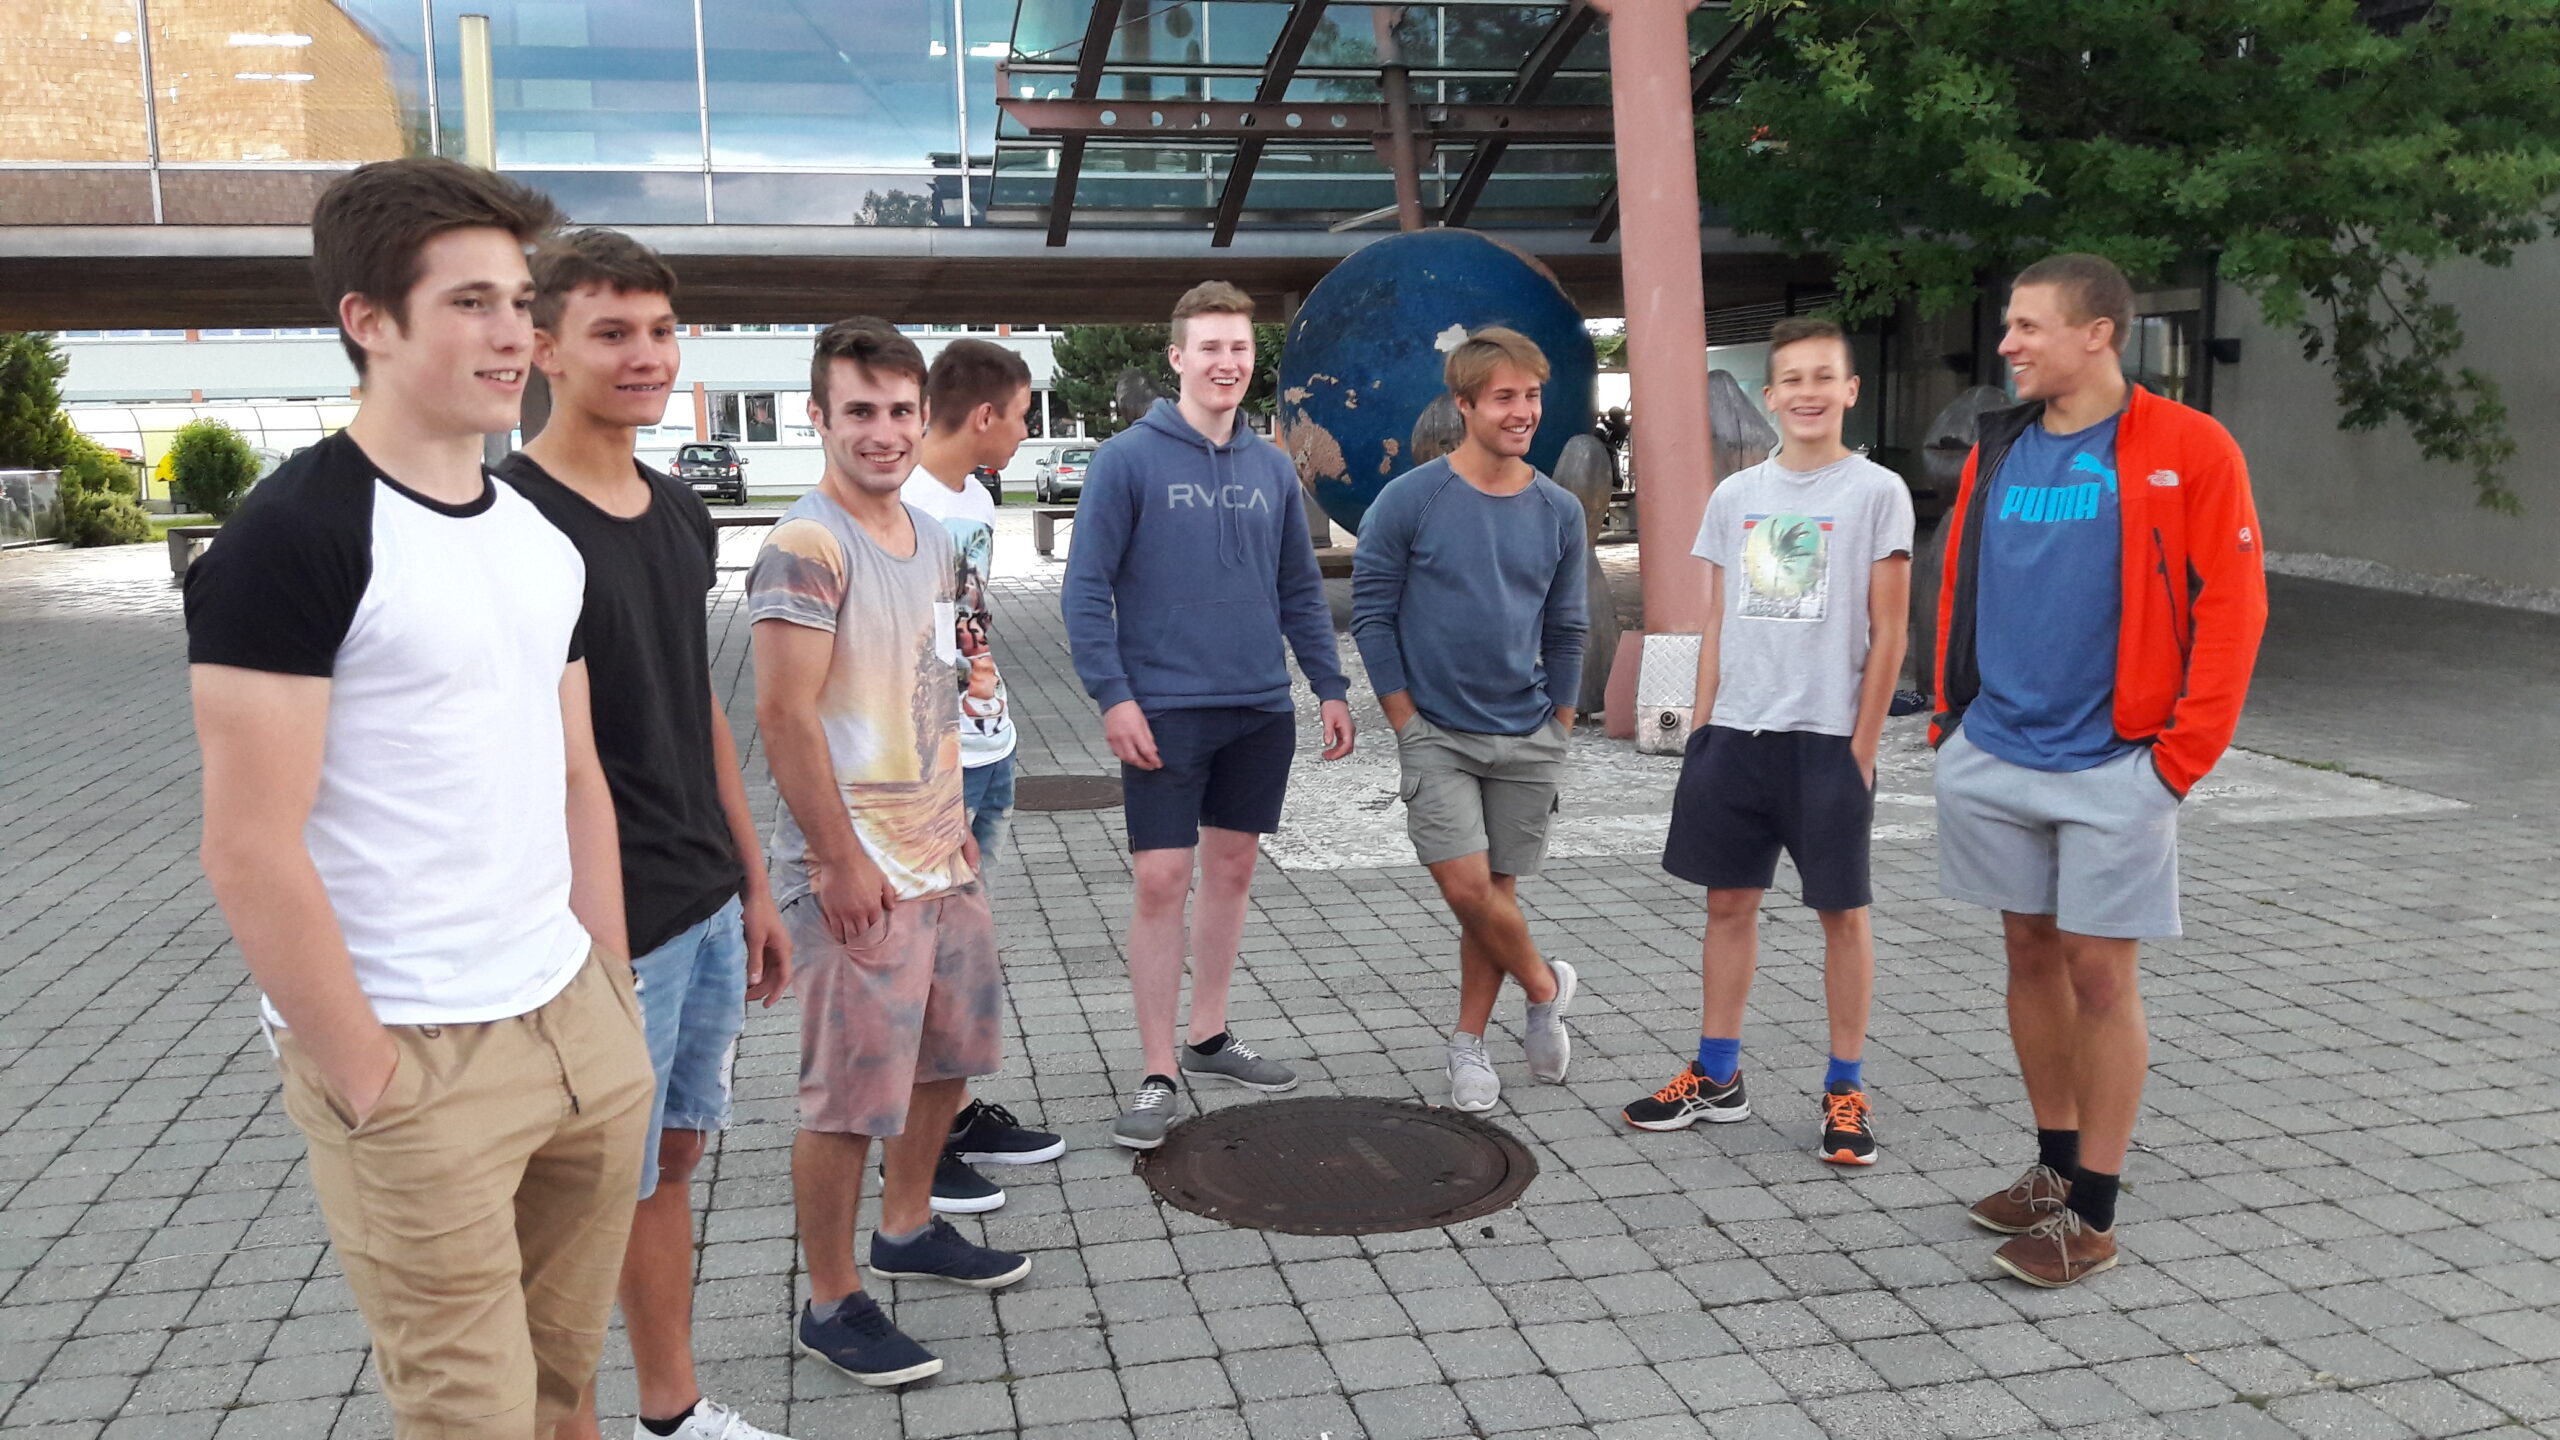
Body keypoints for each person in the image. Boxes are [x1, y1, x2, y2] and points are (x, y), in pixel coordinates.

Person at [185, 157, 654, 1437]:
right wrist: (369, 1077)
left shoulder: (536, 536)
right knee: (471, 1417)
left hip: (573, 1022)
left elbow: (574, 771)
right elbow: (246, 847)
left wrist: (609, 992)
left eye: (519, 302)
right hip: (412, 1053)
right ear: (369, 321)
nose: (513, 335)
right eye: (469, 303)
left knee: (564, 1390)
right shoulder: (293, 537)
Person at [497, 229, 793, 1440]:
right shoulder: (509, 522)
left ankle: (671, 1412)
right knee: (576, 1204)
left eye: (661, 331)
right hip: (598, 932)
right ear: (545, 348)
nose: (644, 356)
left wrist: (754, 882)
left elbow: (694, 702)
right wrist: (589, 947)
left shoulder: (676, 510)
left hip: (703, 903)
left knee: (668, 1166)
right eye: (611, 332)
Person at [1932, 254, 2266, 1286]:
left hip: (2118, 763)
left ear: (2097, 335)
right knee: (2028, 953)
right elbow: (1962, 582)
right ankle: (2053, 1164)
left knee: (2099, 974)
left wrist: (2177, 762)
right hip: (1995, 750)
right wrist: (1951, 720)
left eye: (2028, 327)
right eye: (2009, 325)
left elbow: (2234, 605)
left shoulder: (2189, 447)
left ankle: (2095, 1214)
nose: (2007, 345)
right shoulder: (2002, 444)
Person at [751, 318, 1030, 1388]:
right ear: (818, 418)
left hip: (937, 852)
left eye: (899, 411)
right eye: (858, 410)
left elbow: (932, 681)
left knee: (946, 1057)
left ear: (923, 416)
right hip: (856, 870)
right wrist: (834, 862)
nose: (882, 431)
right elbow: (782, 715)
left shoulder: (928, 532)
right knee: (847, 1099)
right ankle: (832, 1303)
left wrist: (953, 819)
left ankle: (907, 1228)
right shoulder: (808, 544)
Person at [1059, 280, 1355, 1150]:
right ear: (1178, 358)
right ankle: (1157, 1071)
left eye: (1240, 348)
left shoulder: (1270, 466)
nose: (1227, 362)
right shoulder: (1127, 461)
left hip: (1258, 706)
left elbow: (1298, 587)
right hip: (1163, 710)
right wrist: (1112, 695)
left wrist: (1329, 684)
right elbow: (1085, 590)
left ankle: (1210, 1036)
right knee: (1161, 879)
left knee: (1231, 871)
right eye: (1211, 347)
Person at [1623, 316, 1914, 1167]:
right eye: (1792, 379)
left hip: (1828, 740)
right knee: (1727, 905)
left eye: (1824, 376)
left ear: (1849, 390)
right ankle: (1718, 1075)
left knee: (1842, 914)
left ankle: (1845, 1089)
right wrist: (1704, 724)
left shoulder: (1877, 492)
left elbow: (1891, 632)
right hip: (1737, 737)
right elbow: (1719, 619)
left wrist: (1863, 747)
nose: (1808, 392)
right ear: (1770, 394)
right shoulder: (1736, 496)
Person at [1350, 327, 1589, 1113]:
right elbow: (1372, 616)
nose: (1523, 412)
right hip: (1438, 737)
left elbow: (1569, 627)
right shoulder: (1410, 500)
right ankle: (1545, 986)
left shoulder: (1558, 509)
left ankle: (1470, 1046)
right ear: (1464, 405)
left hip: (1529, 735)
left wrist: (1560, 721)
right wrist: (1404, 721)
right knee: (1468, 892)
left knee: (1494, 899)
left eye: (1532, 395)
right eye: (1504, 397)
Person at [900, 337, 1066, 1215]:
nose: (1029, 431)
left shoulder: (973, 496)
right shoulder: (906, 501)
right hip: (934, 766)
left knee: (963, 951)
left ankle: (955, 1116)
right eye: (1026, 414)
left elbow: (968, 621)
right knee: (928, 955)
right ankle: (915, 1153)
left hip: (989, 745)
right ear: (986, 414)